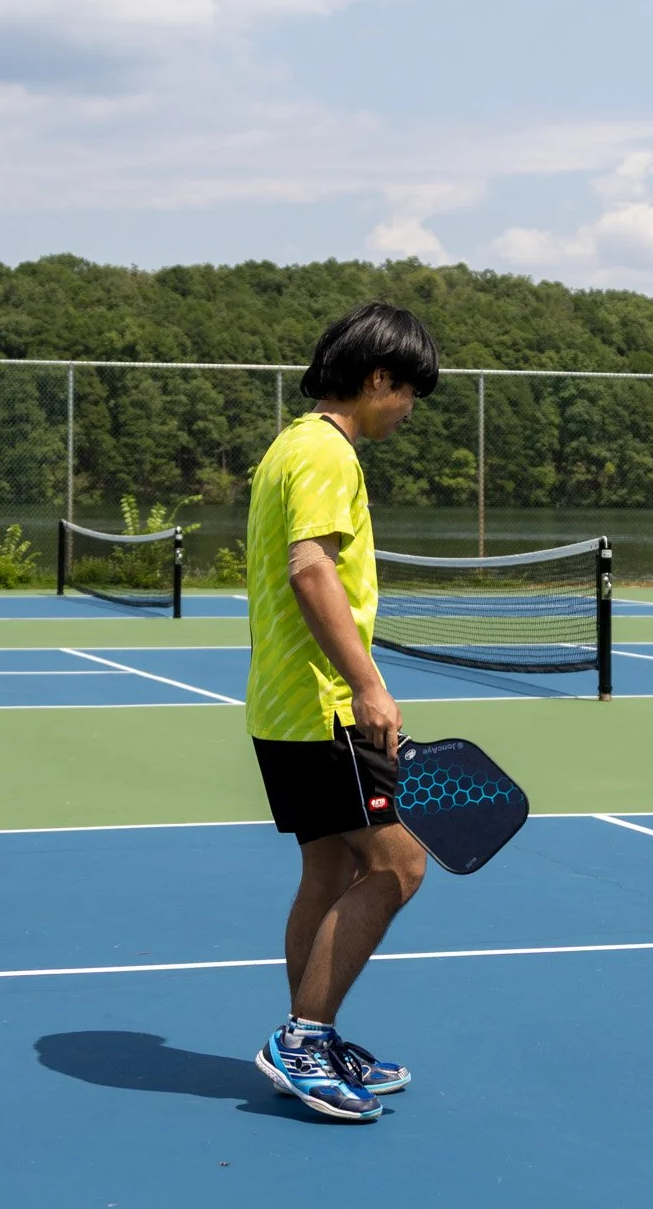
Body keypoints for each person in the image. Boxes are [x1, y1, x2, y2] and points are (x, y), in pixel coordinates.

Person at [246, 303, 438, 1122]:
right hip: (325, 711)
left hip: (282, 707)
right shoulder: (329, 452)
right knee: (399, 867)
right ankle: (303, 1038)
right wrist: (367, 684)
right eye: (409, 392)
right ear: (377, 377)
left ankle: (311, 1037)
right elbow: (311, 568)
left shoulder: (288, 445)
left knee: (328, 872)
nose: (409, 409)